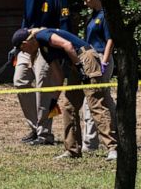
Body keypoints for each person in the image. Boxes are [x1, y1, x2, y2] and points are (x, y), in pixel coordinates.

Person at [11, 26, 117, 160]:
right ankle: (72, 150)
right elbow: (59, 76)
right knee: (68, 107)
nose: (23, 52)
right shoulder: (44, 51)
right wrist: (54, 100)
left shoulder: (43, 35)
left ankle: (113, 148)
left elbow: (67, 45)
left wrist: (80, 68)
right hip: (75, 64)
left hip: (85, 58)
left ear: (25, 44)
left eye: (21, 49)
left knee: (95, 104)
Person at [12, 0, 70, 145]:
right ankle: (35, 127)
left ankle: (45, 134)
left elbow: (65, 28)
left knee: (43, 88)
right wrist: (17, 46)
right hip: (27, 44)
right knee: (20, 81)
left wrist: (58, 52)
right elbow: (25, 21)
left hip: (47, 47)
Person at [79, 0, 117, 155]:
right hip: (91, 58)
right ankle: (118, 131)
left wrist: (105, 61)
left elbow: (110, 40)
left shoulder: (105, 16)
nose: (85, 3)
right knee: (105, 99)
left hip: (100, 57)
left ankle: (90, 142)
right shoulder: (93, 16)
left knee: (92, 99)